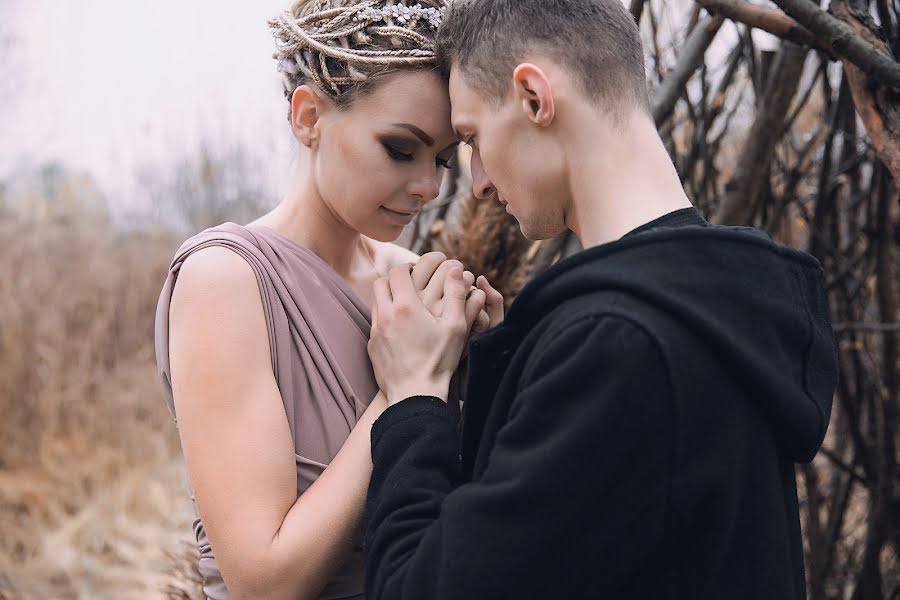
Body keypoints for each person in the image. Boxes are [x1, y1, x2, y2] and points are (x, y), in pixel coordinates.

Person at [362, 1, 840, 599]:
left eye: (472, 138)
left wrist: (413, 397)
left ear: (535, 97)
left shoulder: (616, 346)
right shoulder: (719, 309)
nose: (478, 179)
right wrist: (507, 369)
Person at [153, 1, 500, 598]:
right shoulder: (225, 280)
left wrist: (495, 369)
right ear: (309, 115)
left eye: (443, 158)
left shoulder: (415, 285)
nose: (428, 186)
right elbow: (265, 582)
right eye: (399, 148)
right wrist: (408, 387)